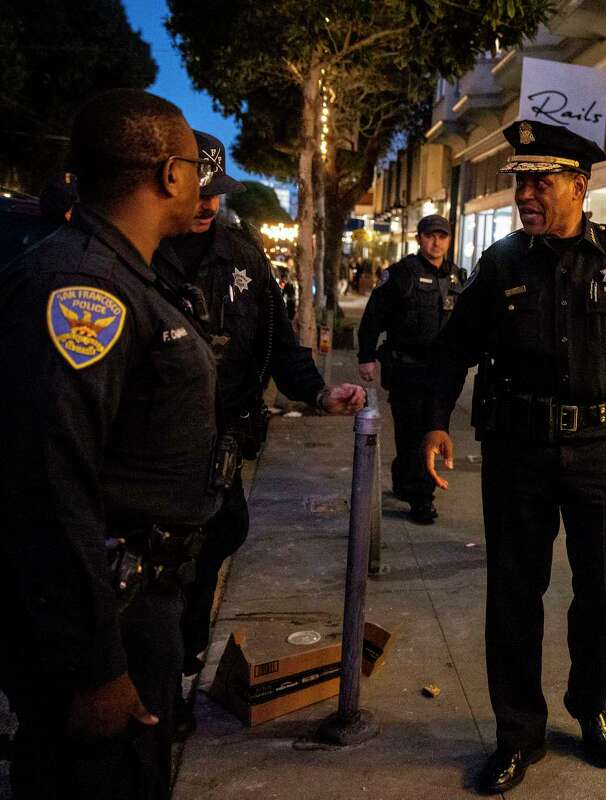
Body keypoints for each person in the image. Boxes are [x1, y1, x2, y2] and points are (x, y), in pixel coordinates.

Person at [422, 120, 606, 794]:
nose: (526, 193)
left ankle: (589, 704)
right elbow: (454, 347)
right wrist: (433, 423)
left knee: (603, 591)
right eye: (521, 180)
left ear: (580, 185)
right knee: (514, 594)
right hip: (518, 449)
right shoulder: (502, 263)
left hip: (604, 447)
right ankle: (518, 732)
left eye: (542, 180)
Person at [0, 89, 215, 799]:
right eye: (193, 164)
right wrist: (94, 667)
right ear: (168, 175)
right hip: (106, 615)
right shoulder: (81, 289)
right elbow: (46, 484)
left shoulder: (129, 275)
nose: (200, 183)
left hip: (139, 599)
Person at [154, 130, 365, 737]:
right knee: (161, 575)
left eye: (215, 194)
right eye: (197, 191)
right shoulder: (139, 254)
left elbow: (281, 348)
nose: (206, 205)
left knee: (215, 546)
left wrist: (320, 391)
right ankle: (159, 686)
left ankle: (182, 665)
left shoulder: (243, 258)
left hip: (219, 453)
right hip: (154, 456)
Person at [357, 213, 467, 523]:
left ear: (449, 240)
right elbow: (373, 317)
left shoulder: (458, 277)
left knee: (432, 430)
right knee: (411, 434)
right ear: (418, 238)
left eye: (442, 236)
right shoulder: (402, 274)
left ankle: (415, 489)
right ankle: (418, 495)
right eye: (430, 235)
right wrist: (366, 356)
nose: (436, 241)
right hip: (407, 370)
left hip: (443, 373)